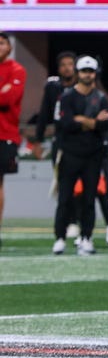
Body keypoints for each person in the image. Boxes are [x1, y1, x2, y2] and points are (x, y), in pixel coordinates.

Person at [52, 56, 108, 256]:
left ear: (95, 73)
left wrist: (83, 121)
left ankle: (86, 237)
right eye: (84, 71)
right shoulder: (67, 96)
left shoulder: (102, 98)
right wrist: (93, 122)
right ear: (78, 73)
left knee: (89, 199)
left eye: (90, 71)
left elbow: (105, 125)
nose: (87, 74)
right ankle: (60, 238)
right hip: (70, 154)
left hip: (92, 155)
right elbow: (65, 124)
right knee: (64, 198)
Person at [0, 32, 24, 249]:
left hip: (4, 135)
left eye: (1, 43)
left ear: (9, 47)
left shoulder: (17, 70)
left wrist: (4, 92)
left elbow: (8, 99)